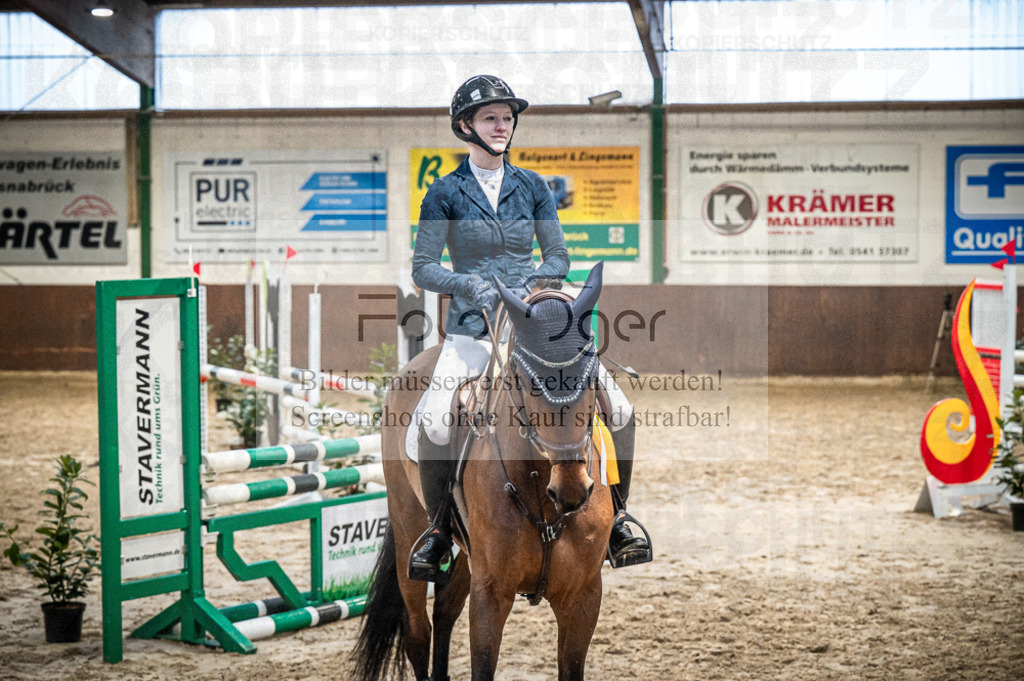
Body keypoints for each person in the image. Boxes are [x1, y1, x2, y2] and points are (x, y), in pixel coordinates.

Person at [408, 74, 651, 582]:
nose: (502, 126)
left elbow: (558, 253)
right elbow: (424, 268)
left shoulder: (534, 185)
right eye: (490, 118)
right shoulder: (443, 193)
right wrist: (472, 286)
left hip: (536, 323)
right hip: (473, 329)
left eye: (507, 117)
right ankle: (436, 533)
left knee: (620, 408)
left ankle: (622, 518)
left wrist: (538, 283)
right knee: (432, 419)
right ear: (465, 127)